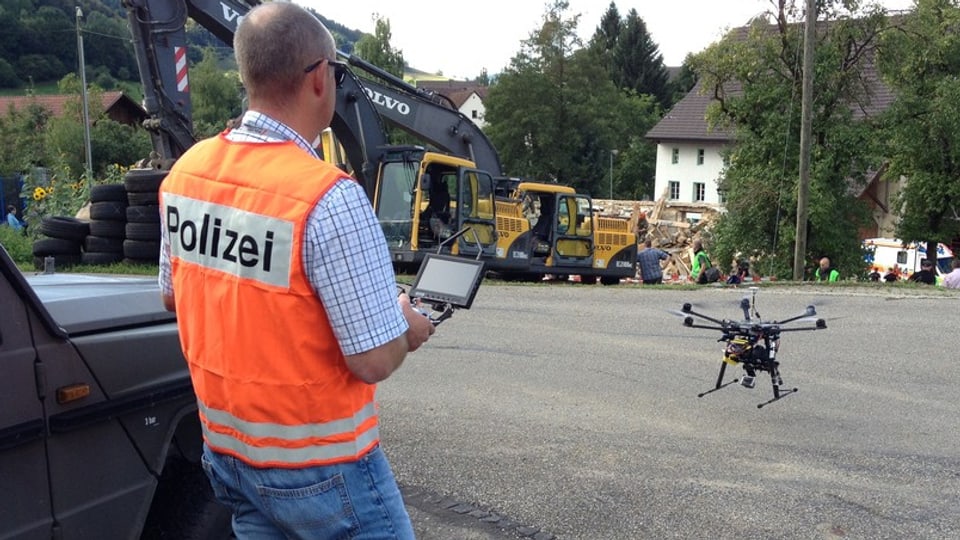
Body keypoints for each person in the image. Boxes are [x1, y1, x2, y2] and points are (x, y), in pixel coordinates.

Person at [157, 3, 434, 537]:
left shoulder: (186, 174)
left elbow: (177, 295)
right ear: (318, 78)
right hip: (322, 465)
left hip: (229, 452)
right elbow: (374, 359)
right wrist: (407, 326)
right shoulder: (327, 196)